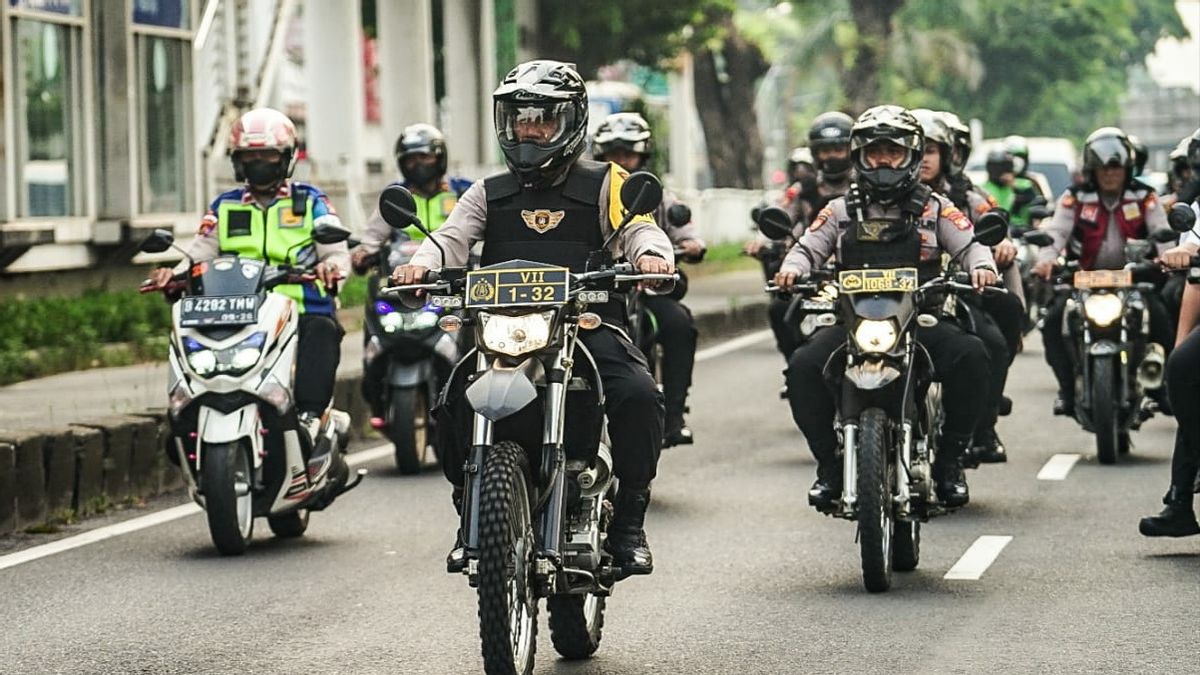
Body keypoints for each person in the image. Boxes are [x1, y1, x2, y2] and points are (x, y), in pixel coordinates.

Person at [391, 60, 673, 575]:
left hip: (587, 325)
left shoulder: (608, 183)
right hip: (502, 330)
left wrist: (652, 257)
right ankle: (470, 510)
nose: (530, 130)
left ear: (570, 122)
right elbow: (450, 241)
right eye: (520, 119)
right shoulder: (487, 192)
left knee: (638, 395)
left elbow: (641, 230)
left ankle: (630, 519)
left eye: (542, 119)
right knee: (453, 401)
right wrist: (419, 266)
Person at [774, 105, 998, 509]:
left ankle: (950, 463)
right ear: (859, 154)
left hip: (921, 319)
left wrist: (981, 268)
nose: (882, 161)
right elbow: (807, 247)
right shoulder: (840, 209)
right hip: (852, 322)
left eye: (892, 152)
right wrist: (792, 270)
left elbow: (970, 245)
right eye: (874, 151)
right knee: (803, 368)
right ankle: (828, 465)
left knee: (973, 356)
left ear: (911, 156)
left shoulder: (937, 207)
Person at [148, 108, 349, 462]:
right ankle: (186, 413)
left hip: (301, 309)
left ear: (286, 158)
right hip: (234, 310)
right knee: (188, 338)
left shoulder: (310, 201)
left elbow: (335, 251)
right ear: (237, 161)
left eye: (267, 155)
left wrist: (331, 268)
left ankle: (309, 418)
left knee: (322, 329)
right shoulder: (224, 206)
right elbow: (197, 254)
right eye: (249, 156)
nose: (258, 162)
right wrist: (173, 275)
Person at [1032, 127, 1177, 417]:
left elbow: (1162, 232)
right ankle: (1067, 390)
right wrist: (1046, 260)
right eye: (1103, 168)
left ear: (1127, 168)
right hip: (1083, 279)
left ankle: (1161, 388)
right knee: (1052, 323)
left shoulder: (1144, 197)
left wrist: (1168, 258)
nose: (1110, 174)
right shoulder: (1075, 198)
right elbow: (1057, 232)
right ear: (1092, 170)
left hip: (1135, 278)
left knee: (1161, 319)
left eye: (1116, 167)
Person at [914, 109, 1023, 464]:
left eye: (930, 151)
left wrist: (999, 248)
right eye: (916, 151)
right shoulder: (872, 197)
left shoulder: (965, 194)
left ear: (947, 156)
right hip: (890, 299)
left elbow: (994, 225)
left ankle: (983, 421)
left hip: (956, 293)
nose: (922, 160)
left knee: (991, 341)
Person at [593, 112, 705, 447]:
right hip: (600, 291)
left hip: (647, 288)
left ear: (643, 156)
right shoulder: (592, 193)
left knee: (679, 324)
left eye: (628, 154)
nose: (621, 162)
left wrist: (689, 245)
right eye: (613, 155)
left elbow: (686, 231)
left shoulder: (658, 195)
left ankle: (673, 416)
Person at [353, 123, 470, 429]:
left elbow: (482, 230)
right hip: (403, 289)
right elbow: (372, 237)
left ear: (440, 157)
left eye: (425, 157)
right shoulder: (395, 198)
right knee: (373, 338)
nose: (418, 165)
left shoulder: (463, 193)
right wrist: (362, 253)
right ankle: (377, 398)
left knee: (478, 346)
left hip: (453, 289)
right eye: (411, 159)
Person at [1141, 135, 1200, 537]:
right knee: (1183, 368)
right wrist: (1180, 343)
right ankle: (1180, 501)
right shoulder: (1194, 210)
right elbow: (1195, 277)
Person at [981, 148, 1041, 232]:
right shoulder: (982, 190)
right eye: (999, 168)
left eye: (1008, 167)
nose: (1004, 172)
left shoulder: (1024, 185)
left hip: (1023, 234)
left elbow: (1034, 201)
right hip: (996, 234)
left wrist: (1014, 188)